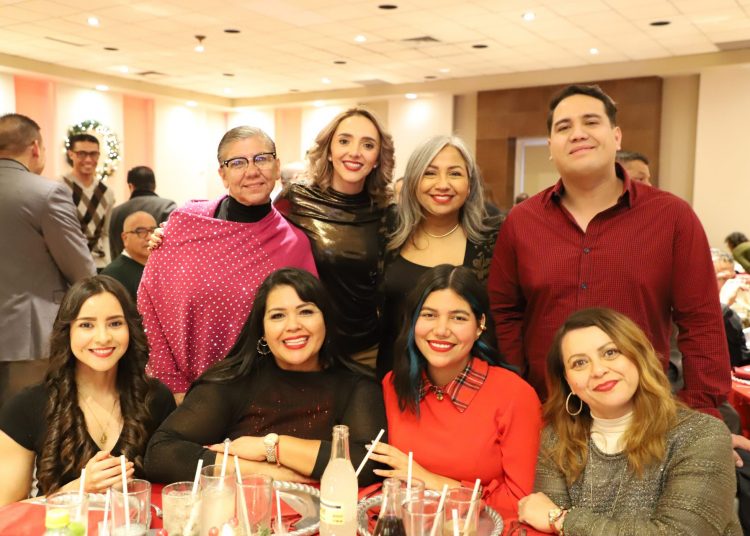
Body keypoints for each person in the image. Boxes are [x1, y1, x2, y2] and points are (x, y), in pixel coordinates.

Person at [488, 84, 730, 419]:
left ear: (616, 137)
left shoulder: (671, 217)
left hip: (642, 415)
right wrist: (518, 390)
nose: (578, 133)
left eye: (591, 122)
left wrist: (701, 408)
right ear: (550, 146)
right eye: (564, 127)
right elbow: (504, 313)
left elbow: (701, 319)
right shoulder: (521, 221)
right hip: (547, 413)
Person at [144, 268, 385, 486]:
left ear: (326, 321)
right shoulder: (234, 381)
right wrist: (265, 472)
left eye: (306, 312)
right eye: (278, 316)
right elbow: (159, 454)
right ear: (262, 330)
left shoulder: (357, 386)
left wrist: (271, 447)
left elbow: (366, 466)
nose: (293, 326)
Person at [517, 307, 740, 535]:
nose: (598, 370)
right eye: (580, 363)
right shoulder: (557, 438)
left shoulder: (701, 434)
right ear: (568, 381)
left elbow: (679, 533)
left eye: (610, 353)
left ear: (638, 357)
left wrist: (562, 520)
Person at [138, 126, 317, 402]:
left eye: (261, 159)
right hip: (179, 394)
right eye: (237, 163)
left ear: (276, 166)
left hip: (259, 396)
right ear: (222, 174)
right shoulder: (186, 224)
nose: (252, 171)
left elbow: (305, 324)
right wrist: (172, 386)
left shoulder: (293, 243)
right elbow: (149, 301)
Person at [371, 265, 541, 519]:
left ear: (480, 324)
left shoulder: (515, 395)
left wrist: (430, 480)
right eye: (429, 315)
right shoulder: (394, 384)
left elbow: (522, 502)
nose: (441, 330)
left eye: (458, 318)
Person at [0, 275, 175, 504]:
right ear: (67, 332)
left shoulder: (156, 398)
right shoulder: (26, 406)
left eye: (115, 323)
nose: (103, 337)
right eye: (86, 325)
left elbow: (176, 489)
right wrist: (77, 489)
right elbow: (5, 508)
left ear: (130, 329)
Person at [274, 107, 394, 369]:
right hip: (305, 348)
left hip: (365, 349)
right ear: (329, 150)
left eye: (368, 145)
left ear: (377, 158)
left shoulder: (387, 209)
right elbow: (263, 249)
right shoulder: (295, 199)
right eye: (344, 141)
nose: (355, 152)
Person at [377, 135, 500, 379]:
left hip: (468, 379)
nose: (443, 184)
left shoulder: (492, 239)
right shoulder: (388, 229)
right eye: (430, 173)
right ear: (413, 181)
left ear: (470, 183)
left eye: (454, 173)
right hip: (396, 375)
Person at [0, 113, 95, 408]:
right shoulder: (46, 193)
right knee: (28, 420)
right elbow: (81, 269)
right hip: (30, 335)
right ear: (35, 147)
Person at [63, 133, 116, 270]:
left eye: (93, 154)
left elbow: (105, 233)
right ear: (71, 154)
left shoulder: (106, 192)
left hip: (99, 263)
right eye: (81, 154)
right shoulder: (60, 187)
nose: (88, 159)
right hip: (68, 263)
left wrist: (108, 263)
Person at [109, 166, 176, 258]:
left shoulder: (115, 212)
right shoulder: (167, 207)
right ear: (154, 186)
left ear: (130, 186)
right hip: (157, 265)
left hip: (122, 265)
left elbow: (111, 249)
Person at [101, 211, 157, 300]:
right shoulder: (112, 276)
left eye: (153, 231)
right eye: (141, 231)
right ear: (125, 238)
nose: (149, 237)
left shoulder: (160, 266)